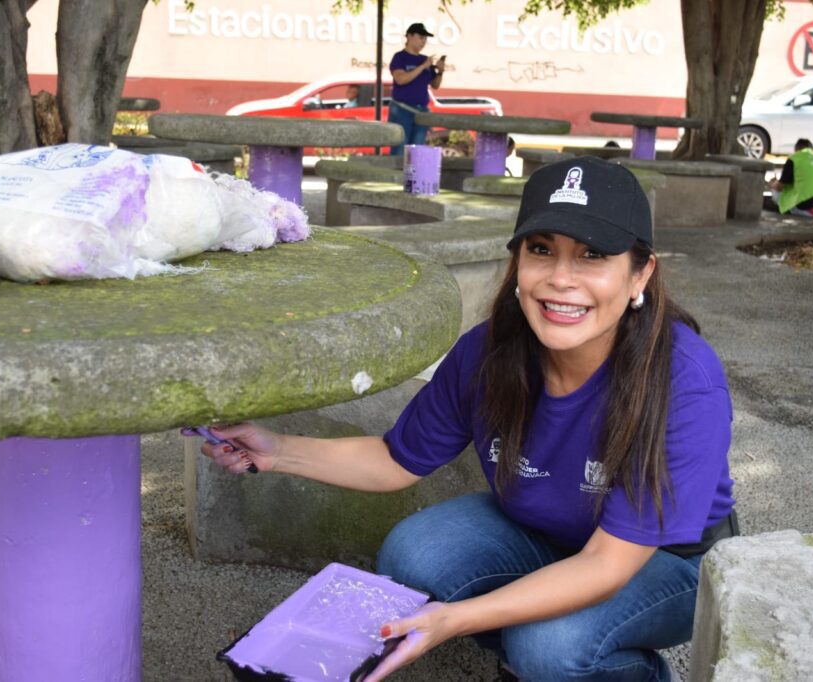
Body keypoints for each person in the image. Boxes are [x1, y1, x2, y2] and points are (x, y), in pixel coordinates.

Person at [199, 158, 736, 682]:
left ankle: (600, 667)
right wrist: (277, 450)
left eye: (593, 255)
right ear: (518, 262)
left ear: (641, 273)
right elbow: (394, 460)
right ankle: (535, 639)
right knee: (414, 556)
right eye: (541, 250)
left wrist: (454, 621)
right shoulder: (488, 352)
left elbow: (605, 565)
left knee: (549, 645)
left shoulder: (684, 380)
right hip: (546, 532)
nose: (560, 279)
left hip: (664, 561)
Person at [388, 23, 444, 155]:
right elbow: (400, 79)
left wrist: (440, 71)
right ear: (409, 36)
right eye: (420, 37)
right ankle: (397, 175)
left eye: (425, 39)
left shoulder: (425, 59)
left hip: (421, 111)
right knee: (400, 149)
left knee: (417, 151)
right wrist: (422, 67)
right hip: (402, 109)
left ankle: (414, 175)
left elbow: (435, 85)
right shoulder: (400, 57)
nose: (423, 41)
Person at [767, 138, 813, 217]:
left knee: (776, 193)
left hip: (808, 210)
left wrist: (772, 183)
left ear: (796, 149)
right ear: (812, 149)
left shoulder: (794, 158)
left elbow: (779, 187)